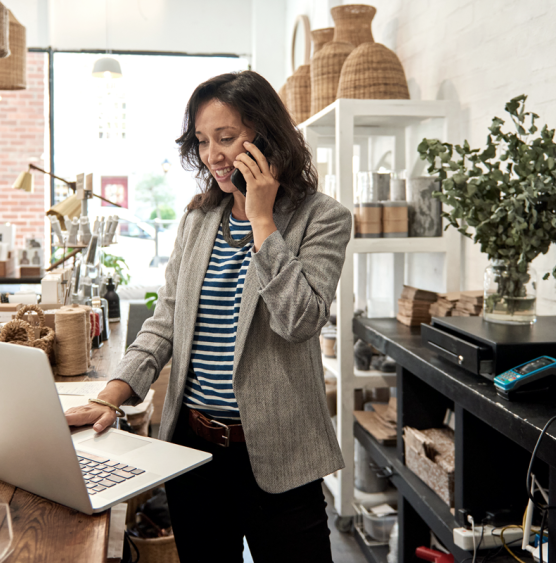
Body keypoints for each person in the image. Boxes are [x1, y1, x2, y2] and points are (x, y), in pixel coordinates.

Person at [65, 70, 351, 562]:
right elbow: (164, 322)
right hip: (193, 452)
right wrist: (112, 395)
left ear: (266, 136)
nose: (213, 155)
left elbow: (299, 320)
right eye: (202, 141)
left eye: (227, 137)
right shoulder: (199, 220)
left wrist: (262, 219)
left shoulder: (321, 218)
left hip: (279, 456)